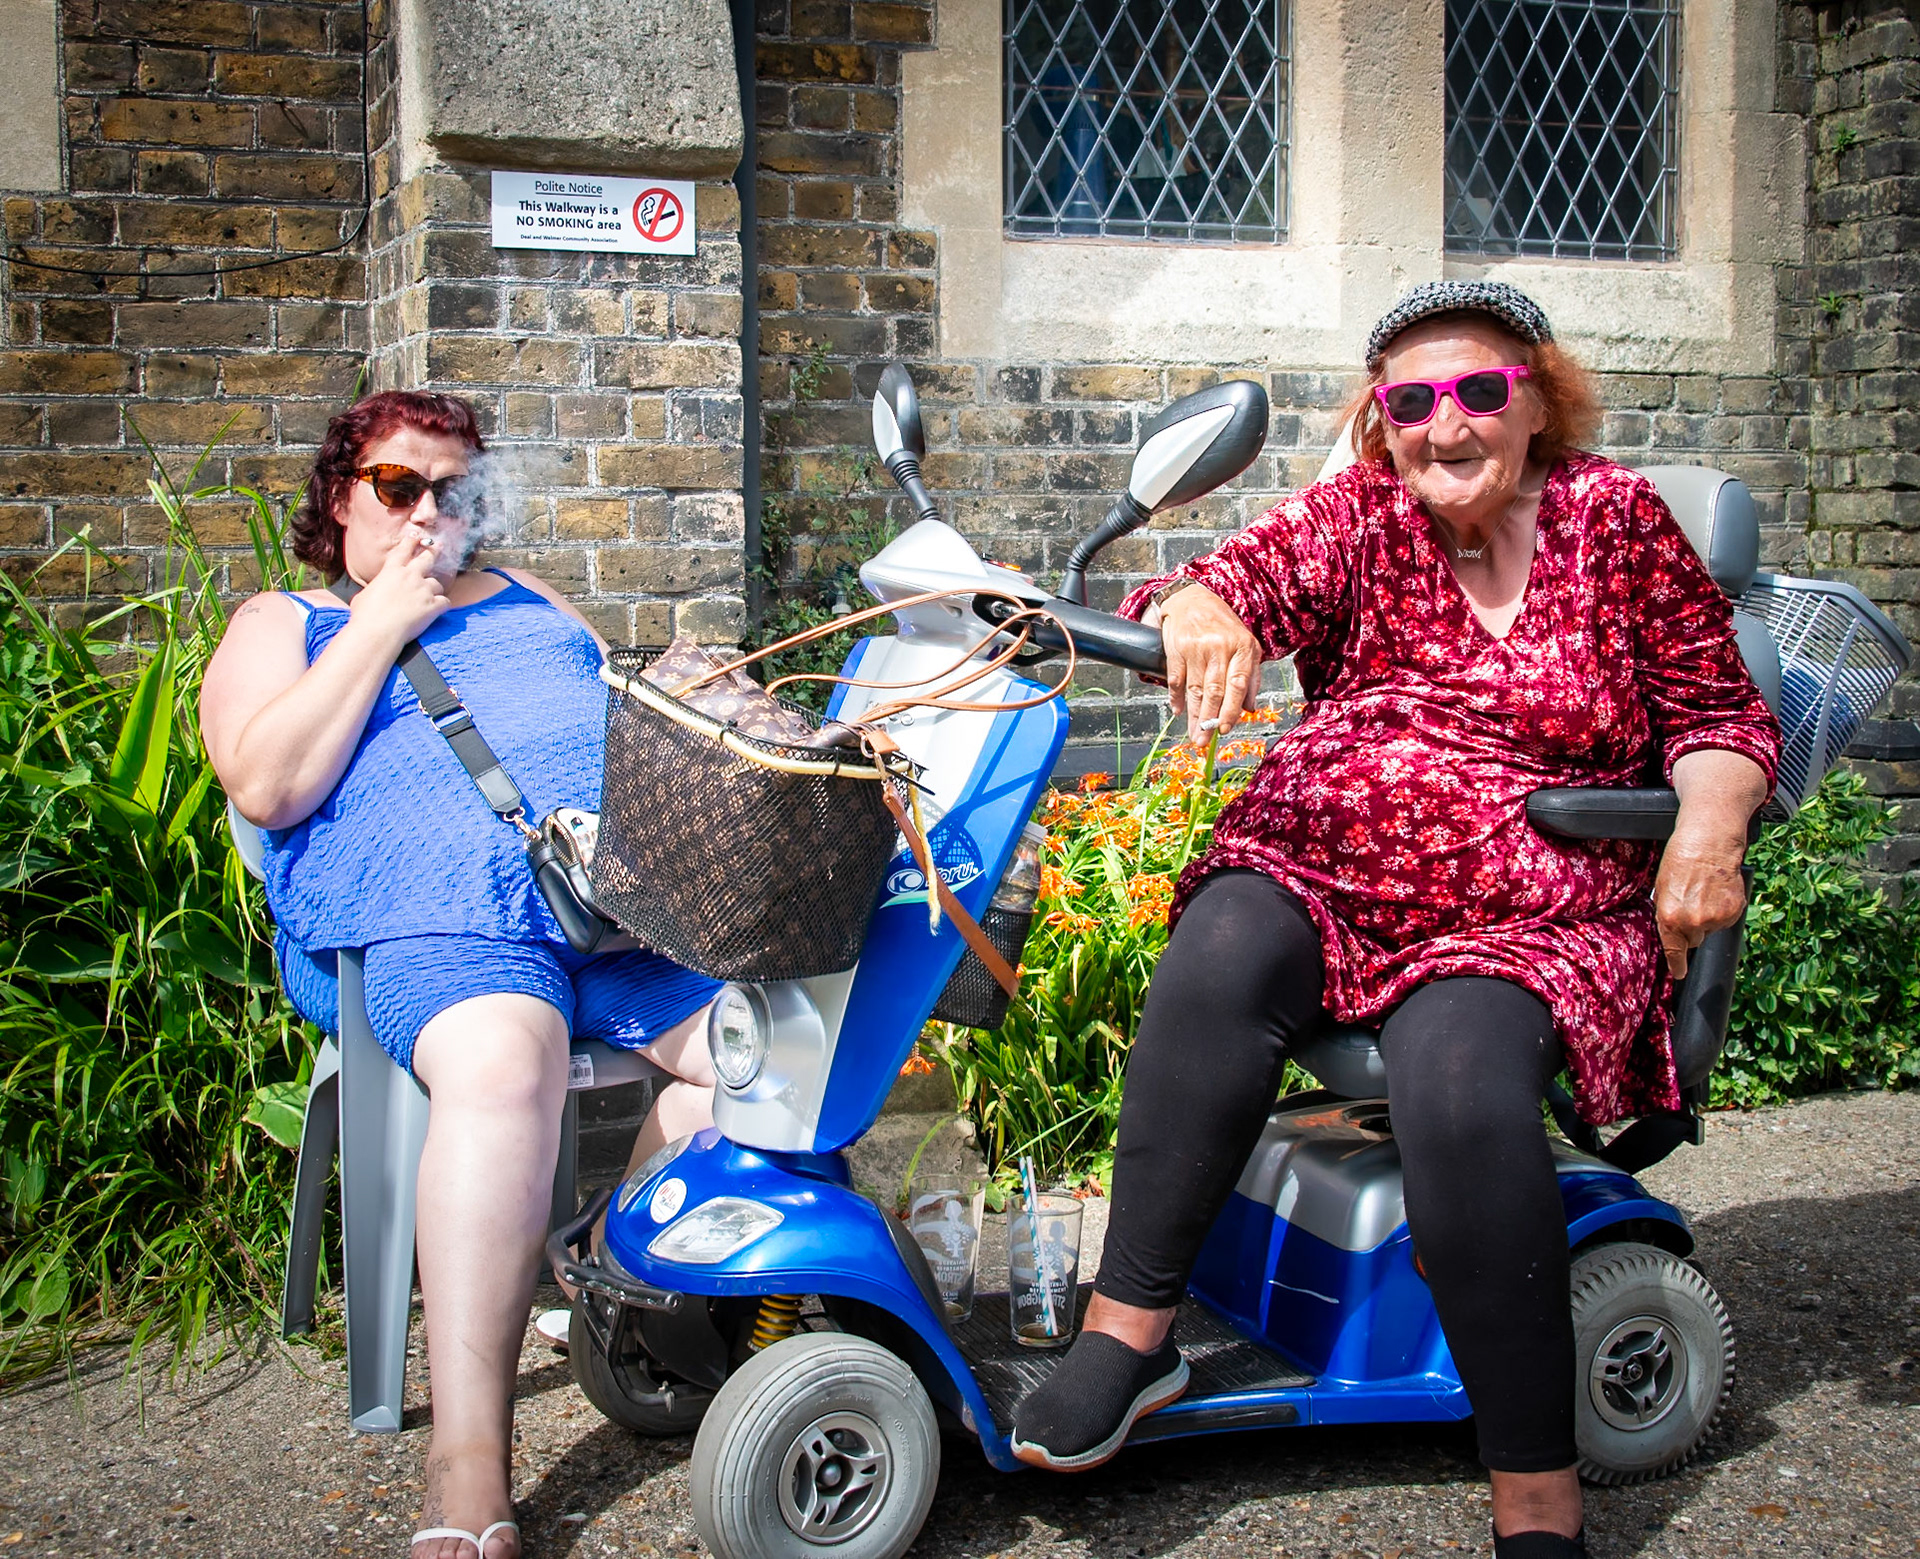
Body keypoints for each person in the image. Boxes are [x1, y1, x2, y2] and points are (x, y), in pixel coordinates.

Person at [1009, 282, 1780, 1558]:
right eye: (1410, 400)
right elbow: (1237, 577)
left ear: (1536, 399)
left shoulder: (1613, 517)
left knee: (1463, 1083)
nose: (1446, 422)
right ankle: (1127, 1336)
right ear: (1382, 420)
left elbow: (1717, 712)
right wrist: (1201, 611)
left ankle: (1536, 1490)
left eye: (1479, 389)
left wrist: (1707, 829)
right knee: (1218, 949)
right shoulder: (1363, 514)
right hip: (1326, 864)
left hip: (1524, 903)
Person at [201, 391, 722, 1559]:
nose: (432, 511)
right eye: (399, 486)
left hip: (608, 915)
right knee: (502, 1057)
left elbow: (641, 726)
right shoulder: (282, 619)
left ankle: (597, 1269)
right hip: (432, 919)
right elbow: (268, 784)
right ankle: (470, 1451)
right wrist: (385, 617)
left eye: (453, 489)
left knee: (767, 1056)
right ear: (341, 498)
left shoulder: (534, 597)